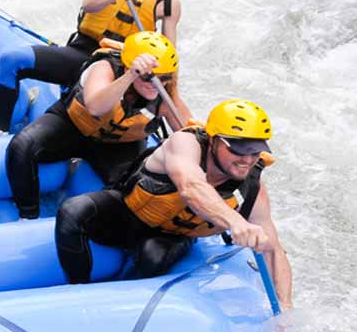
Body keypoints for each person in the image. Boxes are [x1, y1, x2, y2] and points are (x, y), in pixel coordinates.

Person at [55, 98, 293, 308]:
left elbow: (273, 249)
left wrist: (284, 304)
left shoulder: (252, 187)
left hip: (171, 234)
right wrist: (236, 222)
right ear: (213, 141)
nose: (247, 159)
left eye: (255, 152)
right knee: (73, 211)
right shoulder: (185, 143)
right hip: (126, 213)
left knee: (154, 255)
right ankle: (78, 290)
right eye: (239, 150)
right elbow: (191, 187)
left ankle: (123, 303)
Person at [0, 0, 189, 135]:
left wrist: (166, 87)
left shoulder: (170, 3)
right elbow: (89, 4)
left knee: (169, 104)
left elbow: (168, 53)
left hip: (118, 67)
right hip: (82, 53)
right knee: (12, 60)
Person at [6, 32, 191, 219]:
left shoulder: (164, 91)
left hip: (119, 145)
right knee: (22, 146)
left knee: (128, 191)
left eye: (164, 77)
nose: (155, 84)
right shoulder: (105, 67)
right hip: (72, 127)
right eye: (148, 77)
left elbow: (188, 133)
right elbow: (96, 107)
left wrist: (172, 91)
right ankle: (27, 214)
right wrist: (130, 76)